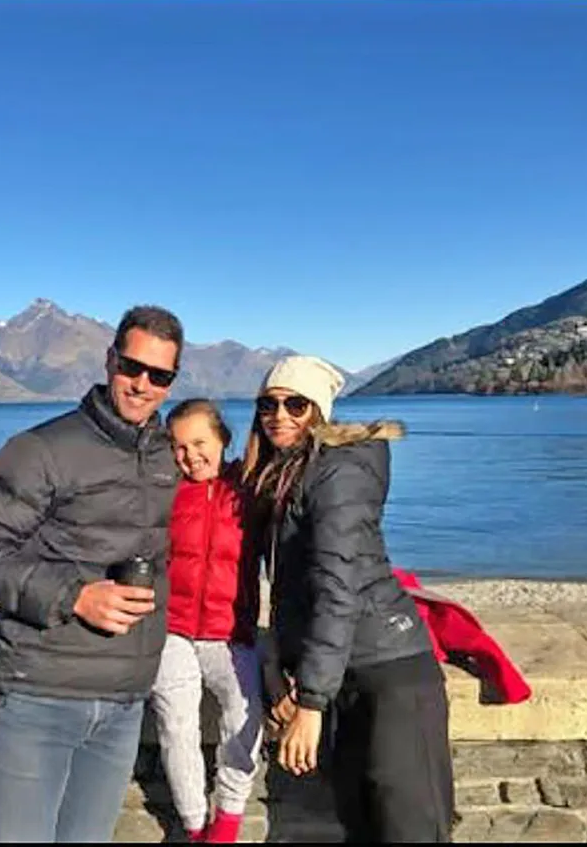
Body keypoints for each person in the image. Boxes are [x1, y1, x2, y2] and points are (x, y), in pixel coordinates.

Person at [0, 305, 185, 843]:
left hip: (126, 700)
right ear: (110, 362)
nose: (142, 384)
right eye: (132, 367)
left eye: (160, 376)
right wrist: (76, 596)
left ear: (172, 384)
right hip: (43, 695)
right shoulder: (43, 449)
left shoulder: (165, 455)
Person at [243, 355, 455, 843]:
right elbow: (291, 592)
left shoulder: (338, 476)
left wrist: (312, 704)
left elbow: (339, 589)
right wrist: (276, 665)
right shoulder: (288, 473)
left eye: (295, 404)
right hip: (347, 673)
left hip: (390, 674)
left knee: (410, 829)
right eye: (268, 404)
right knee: (360, 826)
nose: (279, 415)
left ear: (317, 411)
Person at [148, 399, 262, 844]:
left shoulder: (249, 490)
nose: (190, 455)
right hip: (171, 629)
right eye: (178, 446)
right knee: (176, 723)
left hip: (230, 633)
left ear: (223, 441)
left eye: (200, 443)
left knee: (245, 710)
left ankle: (227, 821)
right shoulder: (165, 493)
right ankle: (195, 825)